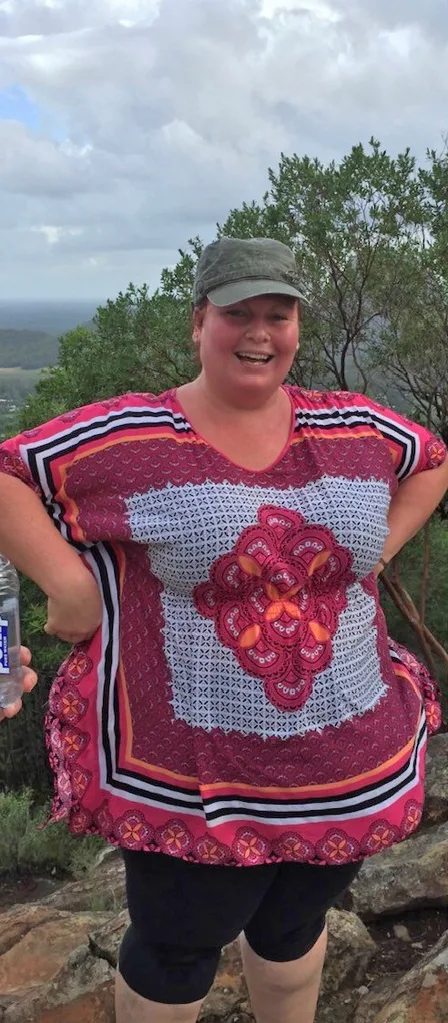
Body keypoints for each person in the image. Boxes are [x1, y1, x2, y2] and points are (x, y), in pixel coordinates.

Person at [0, 236, 447, 1023]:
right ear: (198, 319)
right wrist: (66, 583)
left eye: (279, 313)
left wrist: (378, 549)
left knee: (292, 926)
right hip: (191, 779)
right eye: (238, 312)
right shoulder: (136, 440)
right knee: (177, 945)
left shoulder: (351, 428)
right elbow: (9, 471)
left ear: (299, 326)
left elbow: (431, 456)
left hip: (346, 762)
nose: (260, 331)